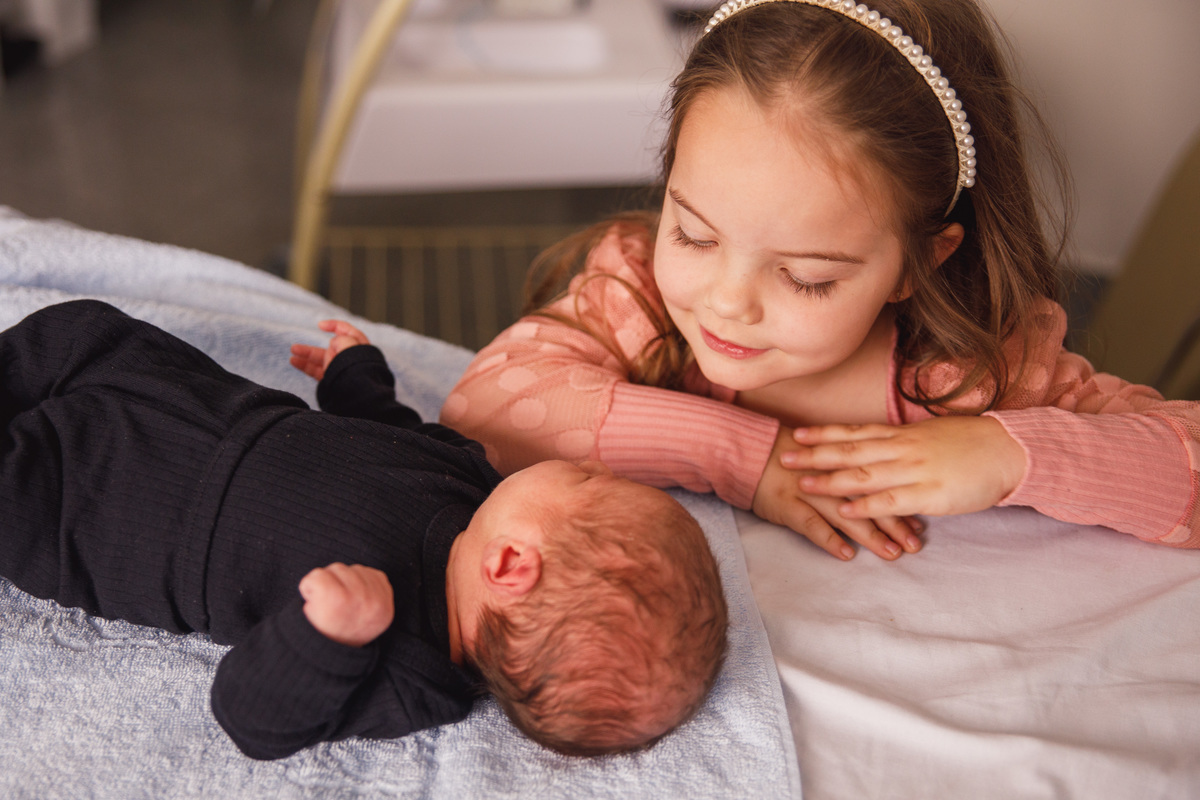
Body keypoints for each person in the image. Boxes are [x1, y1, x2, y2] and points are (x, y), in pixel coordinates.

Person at [438, 0, 1200, 560]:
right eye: (694, 233)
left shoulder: (977, 376)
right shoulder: (638, 299)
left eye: (805, 279)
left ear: (920, 261)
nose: (727, 301)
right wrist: (749, 460)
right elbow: (487, 407)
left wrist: (1009, 456)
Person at [0, 300, 728, 761]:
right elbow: (393, 435)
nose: (583, 466)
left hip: (110, 514)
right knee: (85, 331)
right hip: (204, 405)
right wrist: (355, 381)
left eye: (588, 481)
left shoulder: (417, 677)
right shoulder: (476, 491)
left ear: (512, 566)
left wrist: (328, 640)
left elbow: (251, 719)